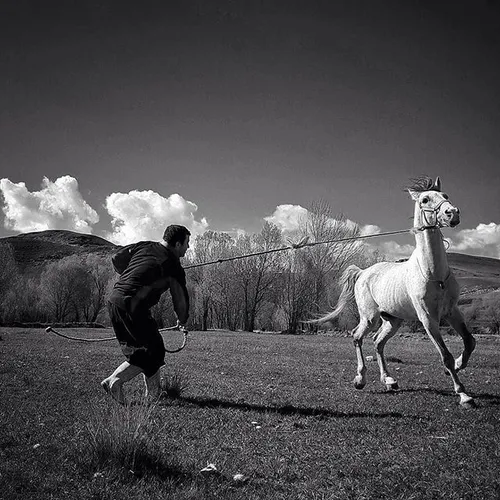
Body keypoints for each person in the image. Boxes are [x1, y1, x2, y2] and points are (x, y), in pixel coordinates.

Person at [101, 224, 190, 404]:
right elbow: (180, 298)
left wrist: (133, 270)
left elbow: (117, 258)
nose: (188, 247)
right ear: (178, 243)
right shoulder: (173, 266)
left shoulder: (144, 246)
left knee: (152, 347)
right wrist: (182, 320)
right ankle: (114, 381)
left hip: (115, 300)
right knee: (152, 352)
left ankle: (154, 394)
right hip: (132, 305)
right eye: (187, 243)